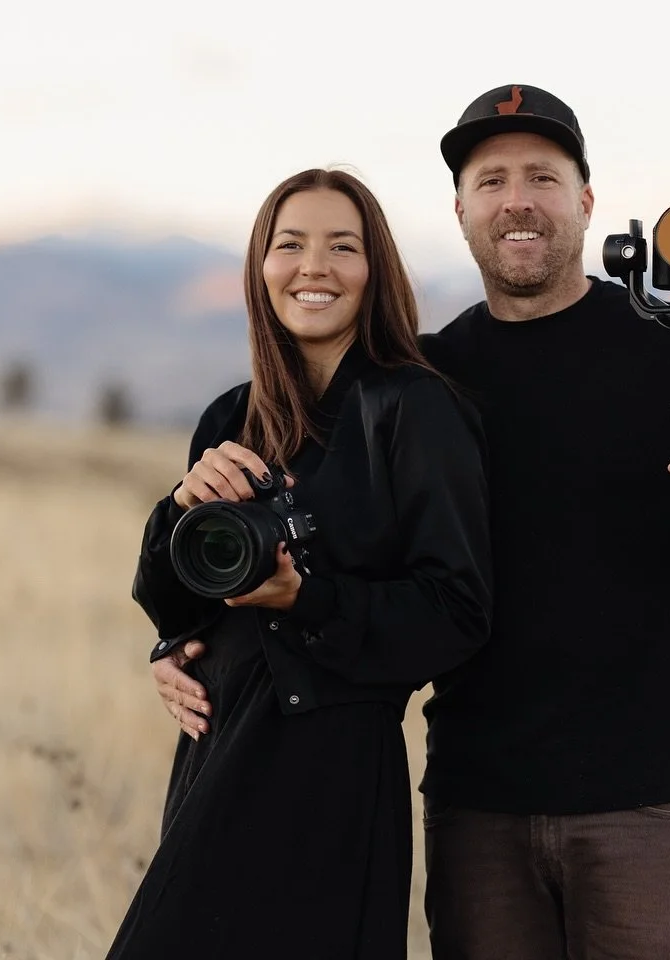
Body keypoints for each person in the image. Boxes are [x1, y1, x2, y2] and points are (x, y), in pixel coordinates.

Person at [152, 86, 670, 959]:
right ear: (461, 211)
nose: (518, 200)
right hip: (478, 805)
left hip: (652, 803)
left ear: (585, 201)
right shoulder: (424, 380)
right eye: (492, 181)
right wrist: (189, 641)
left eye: (542, 178)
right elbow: (314, 556)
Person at [105, 167, 492, 960]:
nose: (314, 266)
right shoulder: (230, 415)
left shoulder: (414, 408)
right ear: (261, 267)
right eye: (291, 245)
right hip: (219, 745)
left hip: (332, 767)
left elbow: (456, 613)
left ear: (375, 271)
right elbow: (180, 598)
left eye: (342, 246)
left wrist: (303, 597)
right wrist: (179, 522)